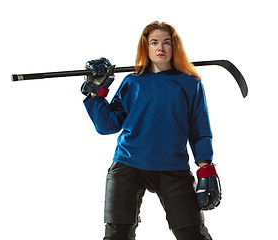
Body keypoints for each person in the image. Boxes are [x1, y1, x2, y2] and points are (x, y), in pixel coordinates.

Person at [81, 21, 221, 240]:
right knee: (117, 235)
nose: (161, 48)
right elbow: (107, 125)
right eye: (154, 42)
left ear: (175, 47)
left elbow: (199, 130)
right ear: (145, 47)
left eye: (167, 42)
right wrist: (96, 93)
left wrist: (206, 167)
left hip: (172, 167)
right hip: (128, 164)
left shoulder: (190, 84)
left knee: (193, 234)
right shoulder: (132, 82)